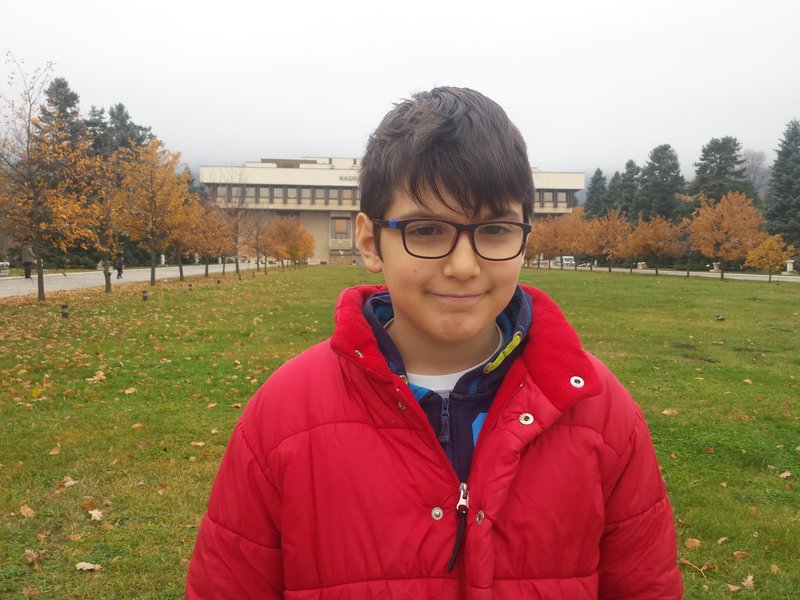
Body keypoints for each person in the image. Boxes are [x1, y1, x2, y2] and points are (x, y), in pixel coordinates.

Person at [187, 87, 682, 598]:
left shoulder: (599, 410)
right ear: (369, 242)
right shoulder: (284, 416)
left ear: (524, 241)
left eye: (494, 229)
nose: (463, 266)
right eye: (425, 230)